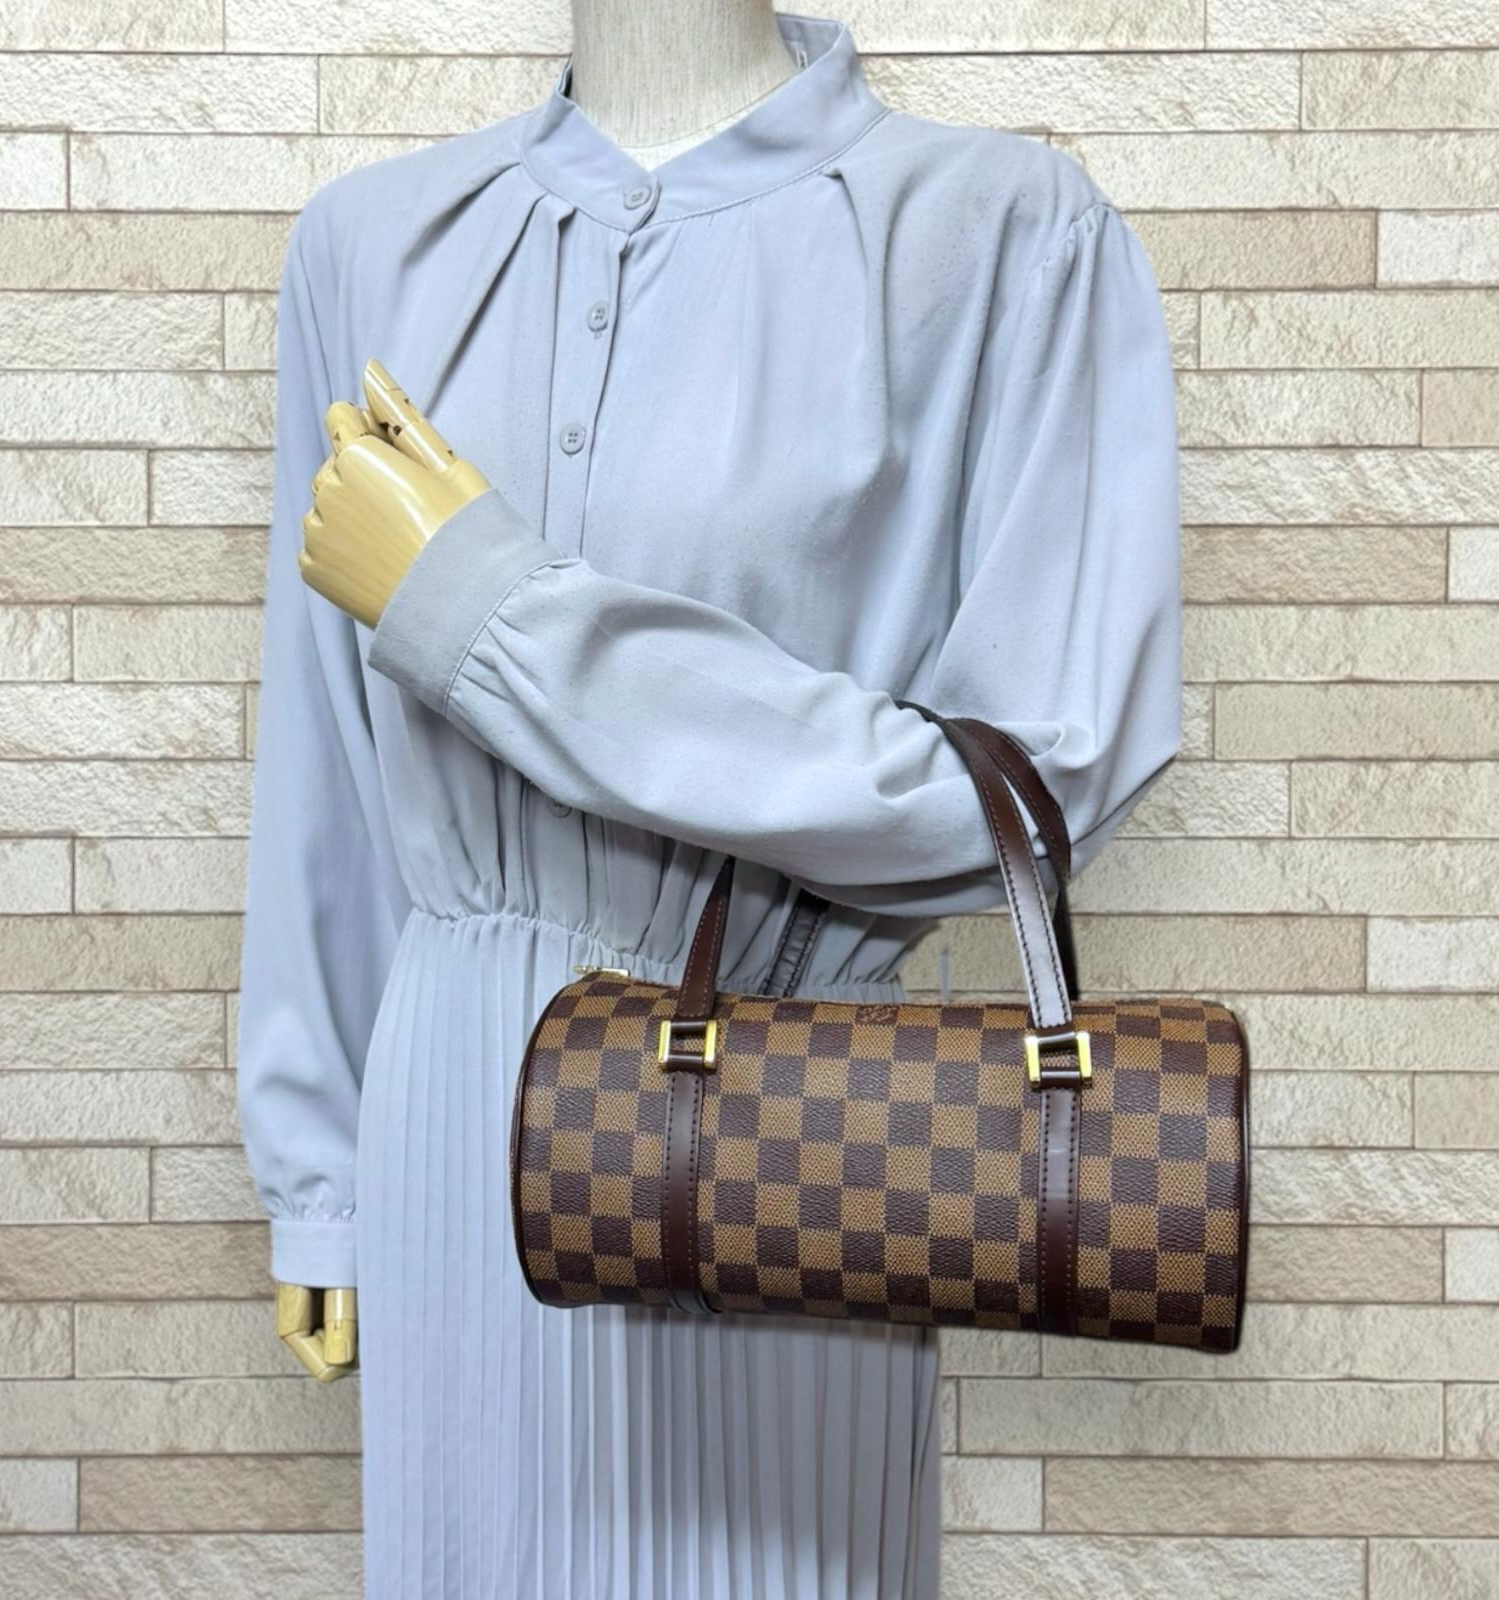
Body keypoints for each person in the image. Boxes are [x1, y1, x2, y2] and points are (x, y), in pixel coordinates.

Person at [235, 10, 1183, 1596]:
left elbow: (1034, 779)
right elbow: (327, 756)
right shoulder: (372, 244)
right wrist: (322, 1177)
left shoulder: (1000, 233)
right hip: (451, 1109)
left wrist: (500, 621)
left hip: (789, 1125)